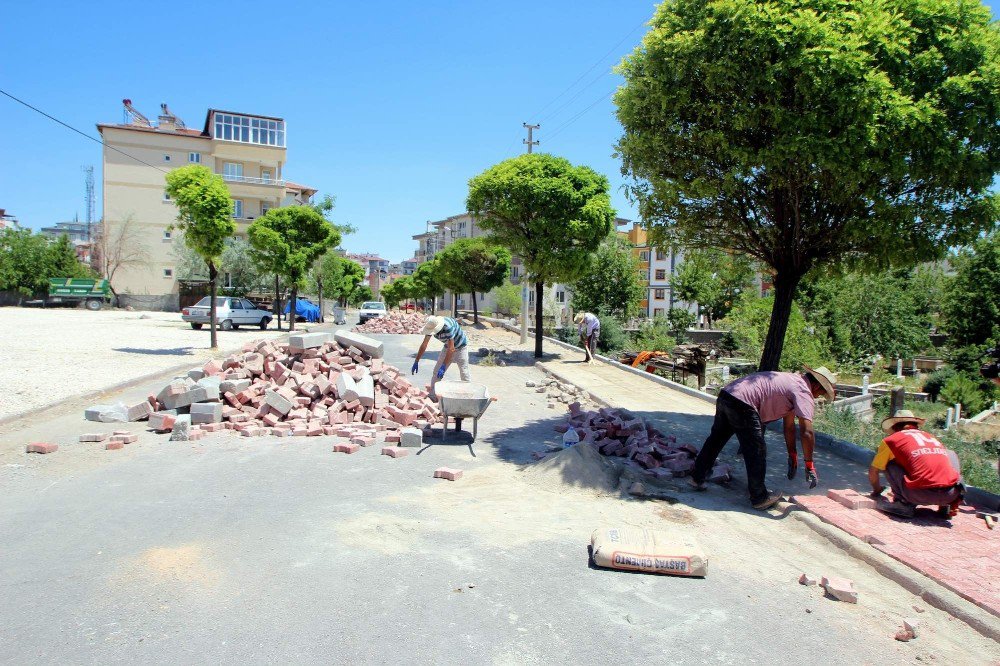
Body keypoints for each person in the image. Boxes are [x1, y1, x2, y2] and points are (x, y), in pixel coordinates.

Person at [688, 365, 837, 510]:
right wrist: (809, 464)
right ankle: (759, 498)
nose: (818, 397)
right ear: (817, 386)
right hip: (743, 403)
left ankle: (697, 477)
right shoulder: (803, 392)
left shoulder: (792, 381)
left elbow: (789, 427)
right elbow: (807, 432)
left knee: (716, 439)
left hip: (728, 394)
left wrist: (793, 454)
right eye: (820, 394)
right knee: (756, 451)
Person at [869, 410, 964, 519]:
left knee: (890, 464)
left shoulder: (892, 440)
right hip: (950, 495)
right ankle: (945, 507)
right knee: (949, 454)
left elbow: (874, 471)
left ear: (895, 427)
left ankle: (903, 504)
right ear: (915, 425)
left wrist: (877, 491)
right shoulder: (931, 437)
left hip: (918, 495)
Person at [411, 315, 470, 396]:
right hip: (447, 347)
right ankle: (433, 396)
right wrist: (416, 361)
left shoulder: (447, 327)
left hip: (461, 347)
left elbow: (452, 349)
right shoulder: (431, 326)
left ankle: (468, 395)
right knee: (436, 372)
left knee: (464, 372)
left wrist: (443, 366)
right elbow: (424, 344)